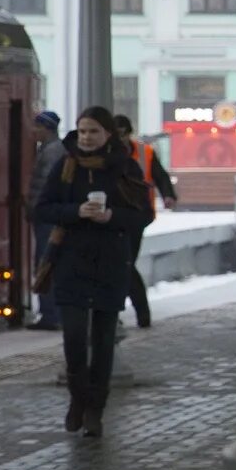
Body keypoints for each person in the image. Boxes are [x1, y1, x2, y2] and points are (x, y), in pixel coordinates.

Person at [33, 106, 152, 435]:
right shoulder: (66, 164)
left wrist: (110, 216)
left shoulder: (124, 168)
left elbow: (143, 215)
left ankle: (95, 410)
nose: (86, 137)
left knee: (102, 341)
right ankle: (78, 399)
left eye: (93, 132)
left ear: (108, 135)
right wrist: (77, 211)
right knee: (73, 337)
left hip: (111, 263)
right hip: (71, 262)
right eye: (82, 131)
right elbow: (42, 208)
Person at [114, 113, 178, 329]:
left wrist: (168, 195)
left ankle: (132, 313)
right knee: (123, 264)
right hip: (113, 217)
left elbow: (160, 176)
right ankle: (135, 314)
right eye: (116, 134)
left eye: (123, 134)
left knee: (125, 263)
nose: (120, 138)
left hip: (138, 216)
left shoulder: (144, 152)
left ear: (129, 133)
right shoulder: (105, 154)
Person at [27, 111, 64, 330]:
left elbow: (45, 187)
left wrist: (36, 208)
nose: (34, 131)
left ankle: (50, 314)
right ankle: (50, 312)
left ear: (47, 128)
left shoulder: (52, 152)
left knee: (45, 262)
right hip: (45, 215)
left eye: (37, 127)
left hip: (46, 217)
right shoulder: (49, 150)